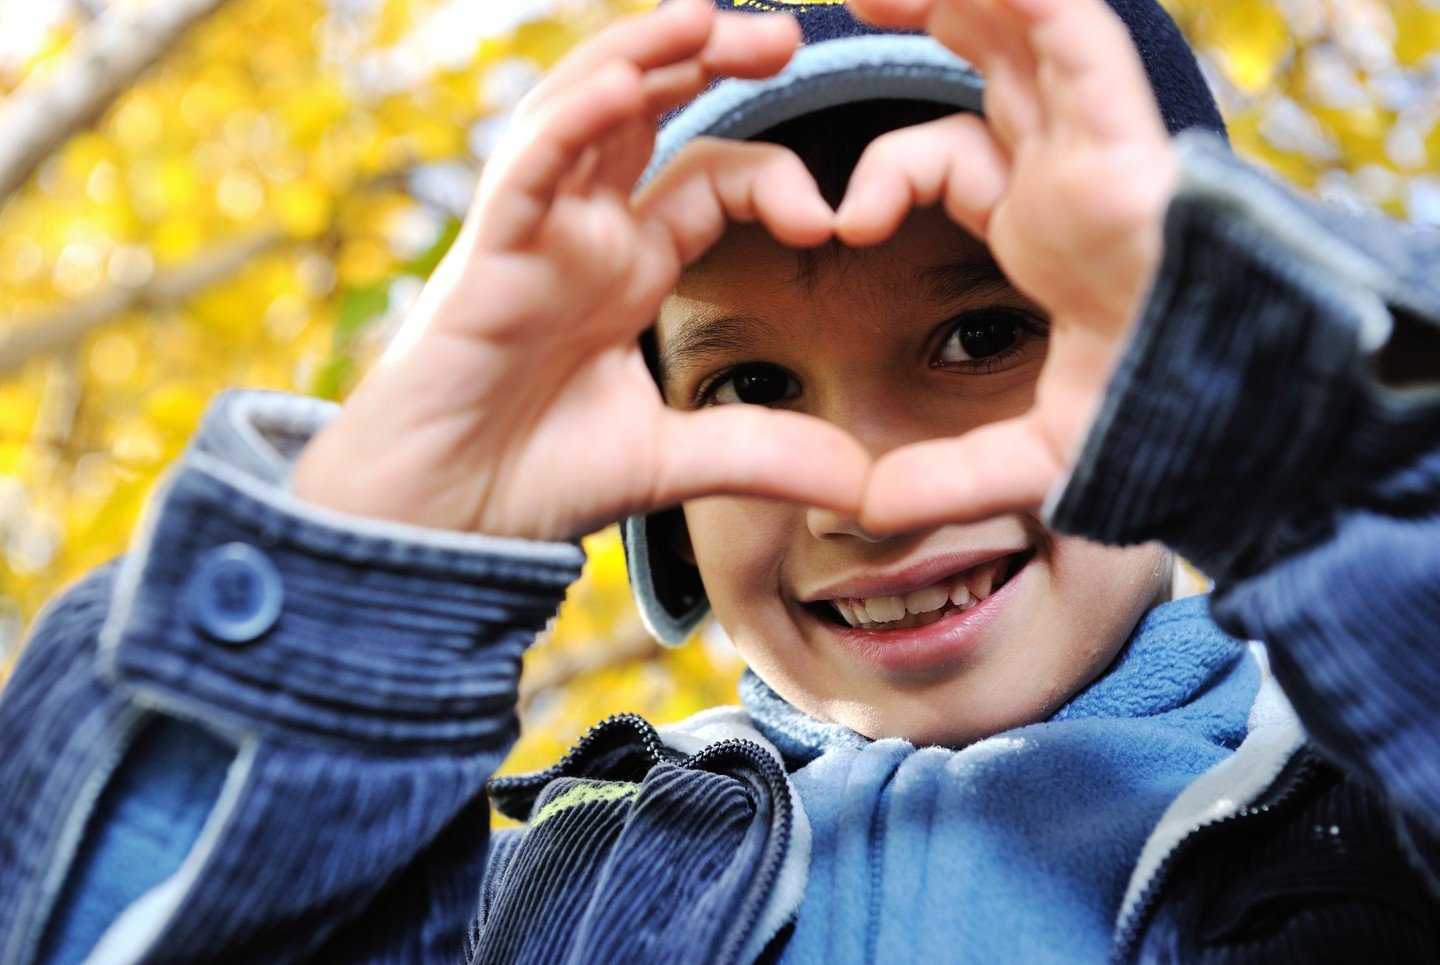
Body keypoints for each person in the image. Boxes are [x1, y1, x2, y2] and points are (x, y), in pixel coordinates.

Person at [2, 0, 1439, 959]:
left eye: (982, 334)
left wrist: (1276, 404)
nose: (867, 493)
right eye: (748, 386)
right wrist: (378, 526)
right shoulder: (555, 886)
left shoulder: (1354, 794)